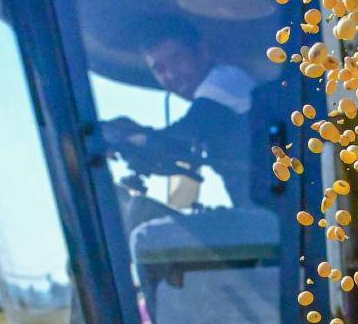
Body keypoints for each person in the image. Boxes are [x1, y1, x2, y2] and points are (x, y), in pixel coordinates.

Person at [101, 18, 261, 202]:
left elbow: (183, 136)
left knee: (148, 232)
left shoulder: (227, 80)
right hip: (259, 211)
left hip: (271, 213)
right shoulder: (214, 102)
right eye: (159, 69)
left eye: (176, 59)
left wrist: (126, 136)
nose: (171, 74)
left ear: (202, 52)